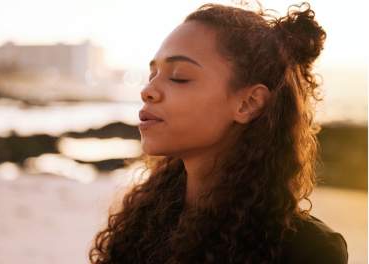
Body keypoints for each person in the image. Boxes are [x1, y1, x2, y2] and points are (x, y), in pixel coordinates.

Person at [89, 2, 348, 263]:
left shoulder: (308, 251)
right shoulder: (142, 223)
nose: (148, 90)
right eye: (153, 74)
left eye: (179, 76)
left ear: (248, 103)